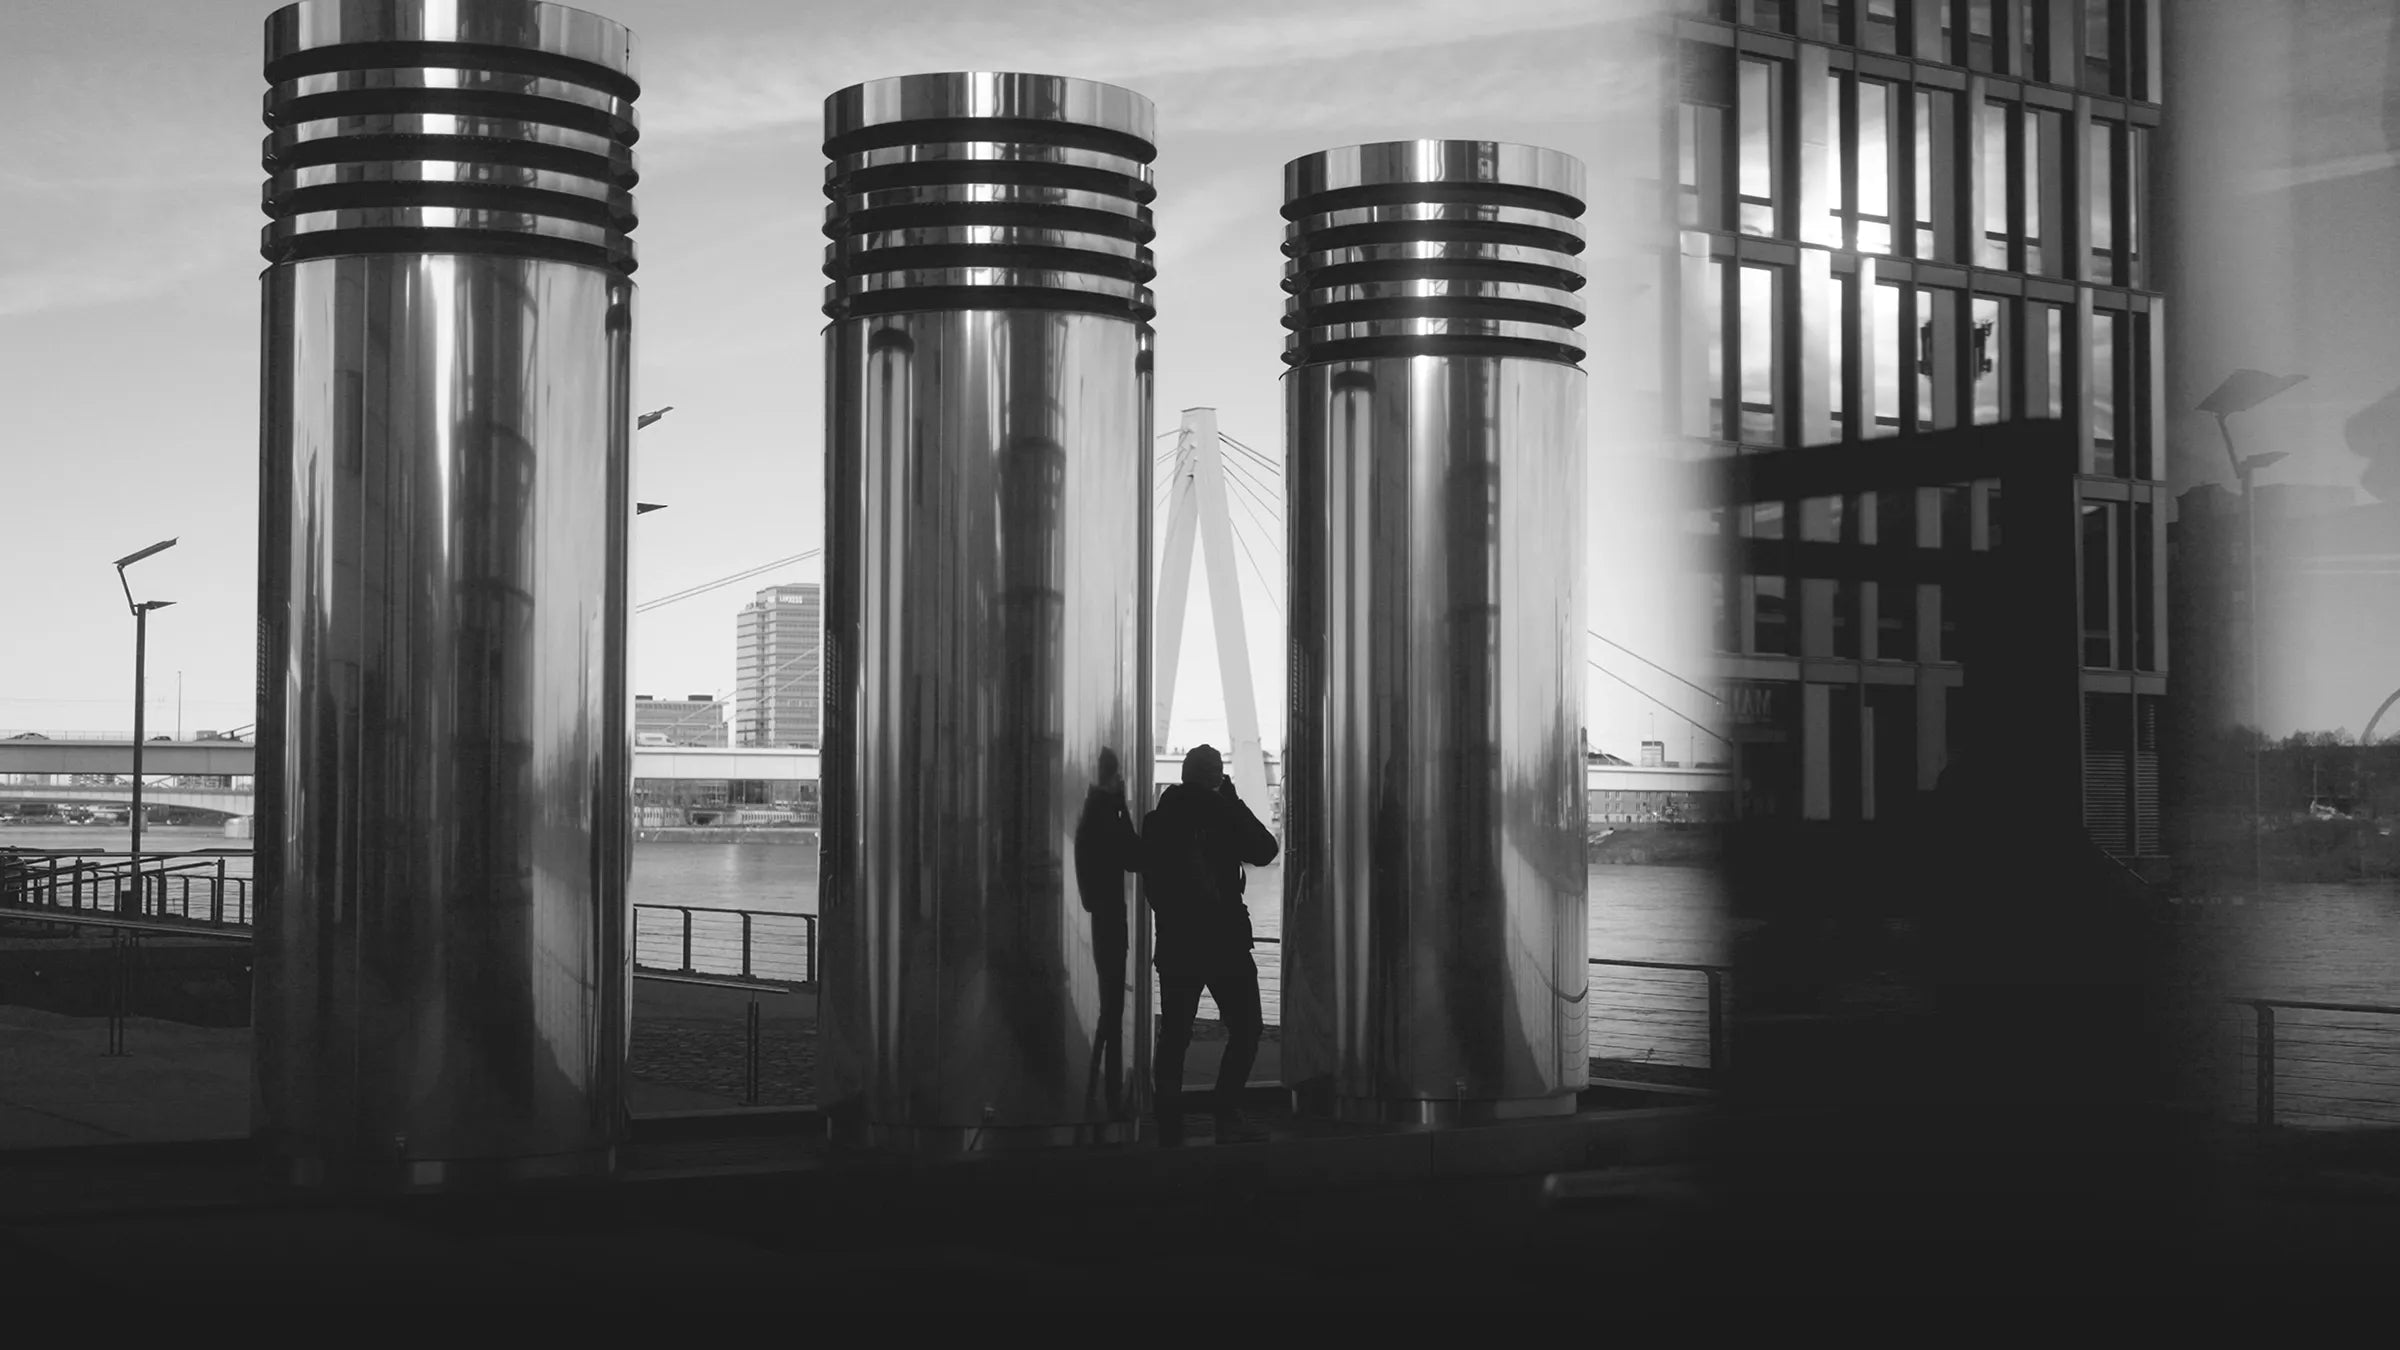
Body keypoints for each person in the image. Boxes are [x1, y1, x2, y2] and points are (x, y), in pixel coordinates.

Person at [1141, 744, 1278, 1146]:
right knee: (1247, 1027)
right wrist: (1233, 803)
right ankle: (1226, 1111)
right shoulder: (1222, 813)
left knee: (1176, 1032)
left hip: (1177, 941)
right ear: (1216, 776)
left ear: (1183, 774)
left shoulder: (1157, 820)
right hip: (1224, 941)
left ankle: (1167, 1119)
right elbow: (1265, 850)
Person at [1073, 746, 1141, 1120]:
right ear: (1114, 778)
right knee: (1113, 1009)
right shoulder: (1107, 815)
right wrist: (1125, 809)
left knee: (1109, 1007)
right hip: (1110, 920)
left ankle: (1100, 1087)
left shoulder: (1089, 813)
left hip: (1101, 916)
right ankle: (1109, 1091)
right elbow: (1134, 856)